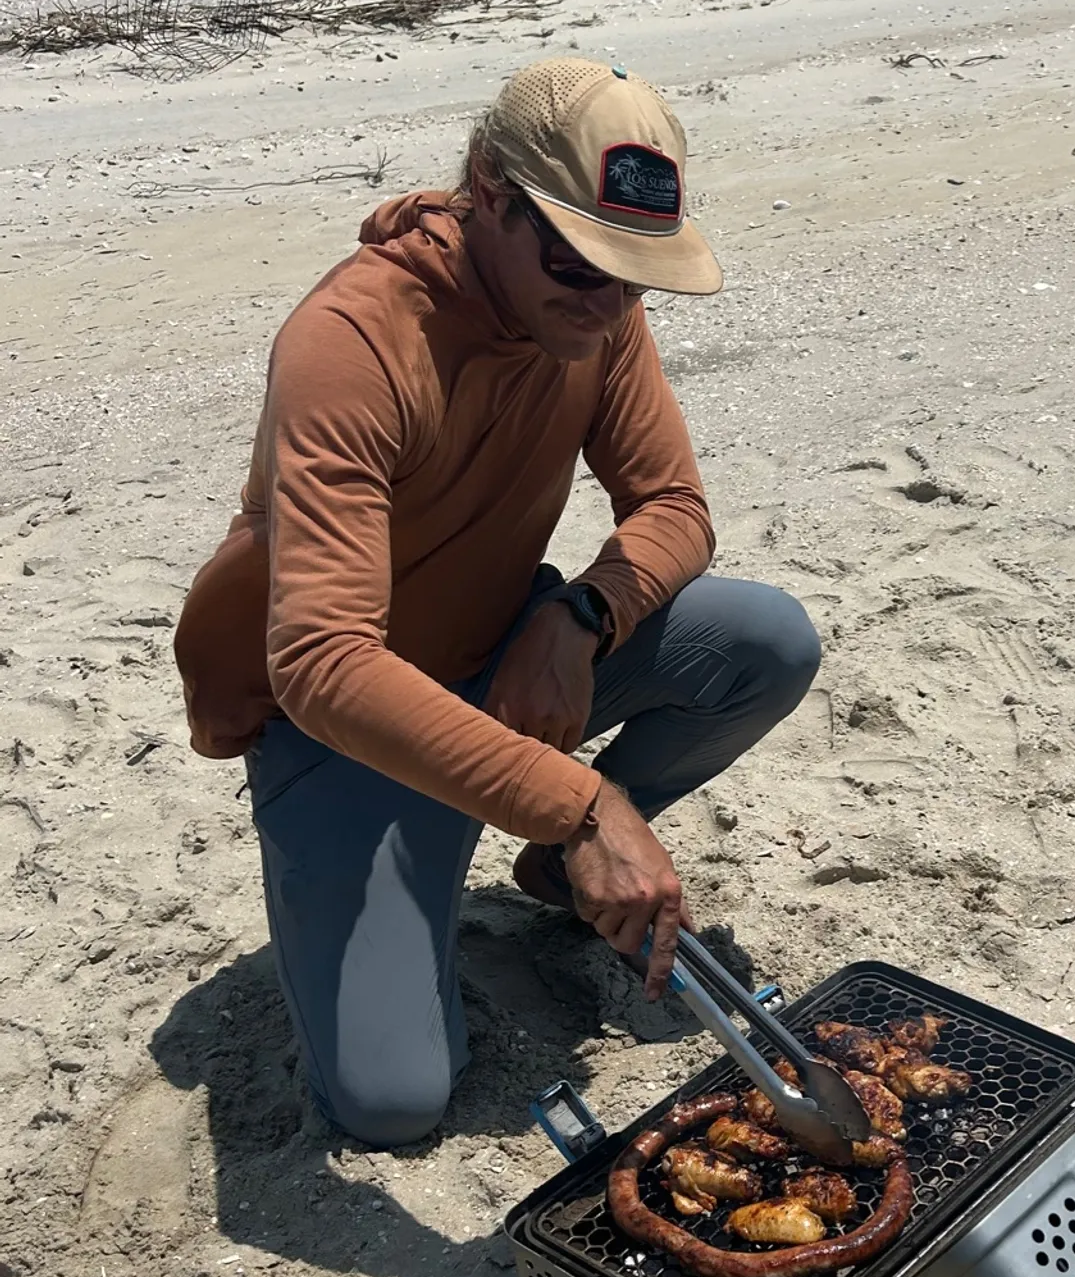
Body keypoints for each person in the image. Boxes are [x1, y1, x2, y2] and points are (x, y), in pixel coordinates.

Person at [173, 57, 819, 1147]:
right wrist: (580, 804)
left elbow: (674, 506)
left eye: (633, 275)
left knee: (766, 643)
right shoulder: (355, 341)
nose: (606, 303)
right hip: (342, 727)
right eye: (575, 262)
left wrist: (580, 618)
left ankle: (544, 871)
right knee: (395, 1105)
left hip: (510, 651)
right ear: (489, 190)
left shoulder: (597, 315)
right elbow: (324, 662)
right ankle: (446, 857)